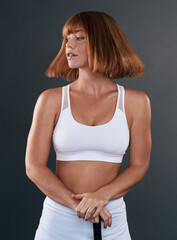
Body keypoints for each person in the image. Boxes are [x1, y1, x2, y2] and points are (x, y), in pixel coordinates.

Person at [25, 10, 152, 240]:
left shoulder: (136, 102)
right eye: (67, 38)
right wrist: (79, 206)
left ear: (103, 42)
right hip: (58, 221)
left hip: (111, 221)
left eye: (79, 37)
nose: (69, 44)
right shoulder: (51, 100)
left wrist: (102, 196)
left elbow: (139, 166)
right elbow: (34, 166)